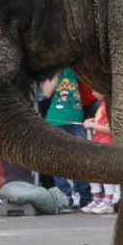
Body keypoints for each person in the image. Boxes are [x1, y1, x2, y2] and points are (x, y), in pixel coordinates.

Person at [40, 66, 88, 208]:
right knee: (58, 160)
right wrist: (56, 69)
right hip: (56, 120)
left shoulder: (77, 69)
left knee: (82, 159)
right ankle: (65, 198)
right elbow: (46, 93)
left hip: (77, 121)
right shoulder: (54, 70)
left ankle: (85, 196)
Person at [81, 92, 119, 214]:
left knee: (106, 172)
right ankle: (97, 197)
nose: (92, 93)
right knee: (93, 171)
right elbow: (102, 122)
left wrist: (92, 125)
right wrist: (93, 121)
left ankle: (109, 199)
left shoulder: (110, 105)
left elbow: (110, 129)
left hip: (107, 143)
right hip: (98, 142)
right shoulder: (102, 104)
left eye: (94, 90)